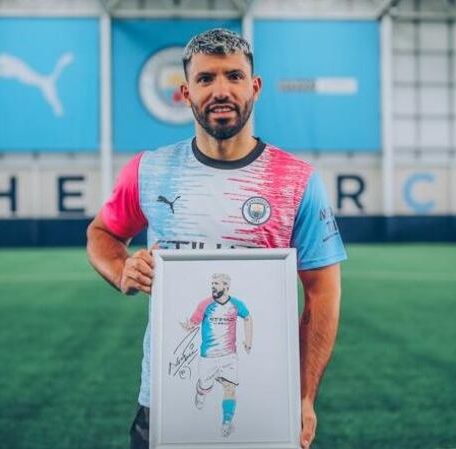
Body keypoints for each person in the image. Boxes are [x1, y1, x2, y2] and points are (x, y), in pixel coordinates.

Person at [86, 28, 346, 449]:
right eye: (206, 79)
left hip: (266, 402)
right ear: (186, 93)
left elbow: (323, 295)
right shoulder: (149, 171)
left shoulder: (297, 181)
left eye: (234, 76)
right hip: (164, 402)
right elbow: (101, 233)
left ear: (255, 87)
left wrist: (303, 396)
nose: (221, 90)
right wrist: (122, 270)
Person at [180, 273, 253, 438]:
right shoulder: (205, 304)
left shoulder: (236, 304)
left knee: (230, 387)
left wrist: (248, 340)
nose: (213, 286)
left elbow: (248, 318)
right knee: (206, 386)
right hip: (209, 356)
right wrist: (186, 326)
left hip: (229, 356)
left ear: (227, 287)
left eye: (217, 284)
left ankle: (226, 422)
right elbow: (193, 323)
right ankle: (200, 391)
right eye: (212, 283)